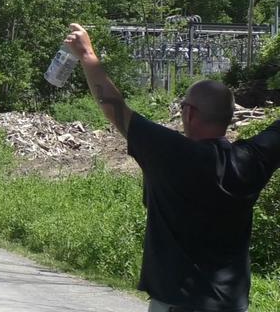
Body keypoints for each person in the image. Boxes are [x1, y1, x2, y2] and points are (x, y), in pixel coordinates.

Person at [64, 23, 280, 312]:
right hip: (232, 304)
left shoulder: (173, 153)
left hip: (176, 303)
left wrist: (87, 55)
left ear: (189, 114)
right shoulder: (251, 159)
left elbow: (114, 106)